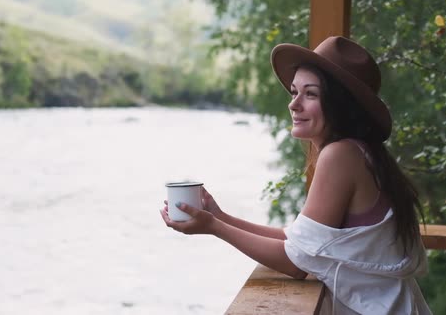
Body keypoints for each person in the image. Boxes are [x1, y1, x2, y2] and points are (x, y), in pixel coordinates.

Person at [160, 36, 431, 315]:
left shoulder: (341, 155)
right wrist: (220, 216)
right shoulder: (359, 153)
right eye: (294, 92)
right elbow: (297, 241)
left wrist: (214, 228)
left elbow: (296, 263)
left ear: (340, 103)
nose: (294, 104)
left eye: (310, 94)